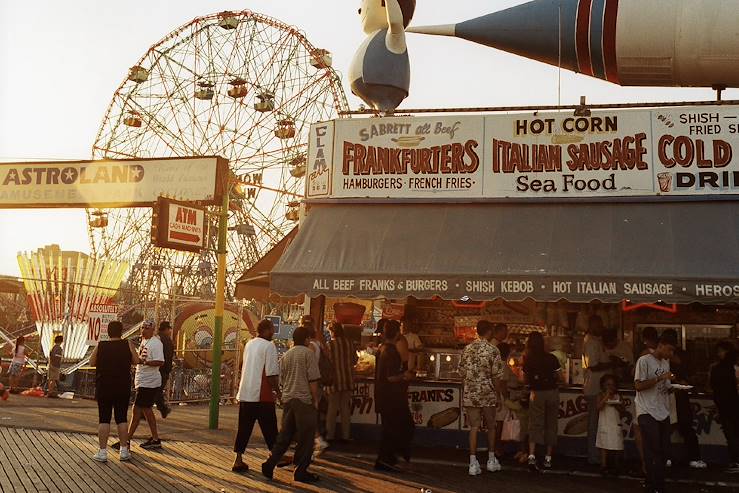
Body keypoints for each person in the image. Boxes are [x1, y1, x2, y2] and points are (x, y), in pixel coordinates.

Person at [261, 326, 322, 484]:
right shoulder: (308, 354)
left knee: (285, 436)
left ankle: (270, 463)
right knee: (306, 437)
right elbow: (313, 381)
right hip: (303, 401)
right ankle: (300, 470)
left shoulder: (286, 355)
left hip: (289, 400)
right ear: (307, 339)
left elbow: (281, 380)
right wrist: (315, 400)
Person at [232, 319, 280, 473]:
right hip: (262, 393)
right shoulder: (269, 346)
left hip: (246, 392)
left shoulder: (249, 344)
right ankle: (275, 456)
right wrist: (278, 392)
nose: (273, 332)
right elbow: (271, 373)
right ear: (266, 330)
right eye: (272, 329)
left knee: (244, 428)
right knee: (270, 428)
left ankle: (238, 459)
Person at [90, 321, 139, 462]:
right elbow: (136, 360)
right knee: (121, 418)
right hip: (122, 386)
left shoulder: (101, 345)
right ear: (121, 331)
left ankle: (102, 452)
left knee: (104, 419)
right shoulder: (127, 344)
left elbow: (92, 362)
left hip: (104, 386)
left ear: (108, 332)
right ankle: (124, 451)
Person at [460, 320, 504, 476]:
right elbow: (497, 376)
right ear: (490, 332)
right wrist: (498, 395)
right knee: (491, 426)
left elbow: (462, 372)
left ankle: (473, 463)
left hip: (471, 393)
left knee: (474, 427)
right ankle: (491, 460)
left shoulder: (467, 349)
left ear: (477, 331)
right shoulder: (493, 350)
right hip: (488, 393)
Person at [634, 335, 676, 493]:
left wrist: (672, 384)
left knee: (664, 449)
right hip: (646, 410)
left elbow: (666, 386)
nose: (671, 354)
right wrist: (660, 378)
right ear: (661, 345)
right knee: (654, 447)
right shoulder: (644, 361)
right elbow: (638, 385)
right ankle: (654, 484)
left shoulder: (666, 362)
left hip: (662, 410)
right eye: (670, 349)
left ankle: (655, 480)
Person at [662, 328, 706, 469]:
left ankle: (688, 457)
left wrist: (682, 380)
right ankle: (670, 457)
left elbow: (689, 373)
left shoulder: (680, 355)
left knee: (683, 427)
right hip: (669, 395)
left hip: (678, 395)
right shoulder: (660, 356)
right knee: (670, 427)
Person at [374, 319, 414, 472]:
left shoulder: (383, 348)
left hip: (385, 396)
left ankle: (387, 458)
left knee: (391, 428)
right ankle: (388, 458)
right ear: (397, 333)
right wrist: (404, 375)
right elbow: (391, 377)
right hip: (391, 397)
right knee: (399, 427)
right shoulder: (390, 352)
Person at [121, 320, 165, 450]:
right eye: (142, 328)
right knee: (147, 411)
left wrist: (144, 363)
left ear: (153, 330)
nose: (143, 330)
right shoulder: (145, 341)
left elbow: (160, 361)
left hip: (149, 382)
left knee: (137, 411)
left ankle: (126, 440)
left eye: (147, 328)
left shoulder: (156, 343)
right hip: (142, 380)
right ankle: (155, 439)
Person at [523, 331, 561, 472]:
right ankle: (548, 458)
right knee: (551, 424)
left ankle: (532, 456)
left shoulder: (528, 359)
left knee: (535, 423)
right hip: (552, 392)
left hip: (536, 393)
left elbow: (525, 380)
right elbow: (560, 376)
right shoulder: (552, 358)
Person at [582, 315, 614, 465]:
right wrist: (610, 365)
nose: (601, 327)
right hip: (593, 387)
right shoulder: (589, 342)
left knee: (599, 424)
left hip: (598, 387)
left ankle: (599, 455)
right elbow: (593, 366)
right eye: (599, 324)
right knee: (594, 424)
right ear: (592, 325)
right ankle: (593, 456)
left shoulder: (596, 341)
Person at [709, 341, 739, 473]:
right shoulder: (735, 368)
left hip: (726, 406)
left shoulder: (717, 368)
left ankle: (736, 462)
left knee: (731, 435)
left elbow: (714, 389)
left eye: (721, 350)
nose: (718, 353)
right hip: (733, 405)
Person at [634, 326, 660, 475]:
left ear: (644, 339)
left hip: (645, 402)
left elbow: (636, 381)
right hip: (659, 401)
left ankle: (646, 464)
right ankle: (656, 463)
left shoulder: (644, 356)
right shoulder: (663, 356)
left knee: (641, 430)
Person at [325, 322, 357, 442]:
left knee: (332, 408)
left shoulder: (329, 345)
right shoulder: (350, 344)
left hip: (334, 380)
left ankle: (330, 435)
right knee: (345, 408)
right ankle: (346, 436)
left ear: (332, 332)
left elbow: (326, 362)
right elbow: (355, 360)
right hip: (347, 379)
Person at [305, 320, 330, 453]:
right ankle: (316, 439)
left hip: (312, 384)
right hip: (318, 383)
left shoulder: (310, 346)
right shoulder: (320, 344)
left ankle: (317, 439)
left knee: (309, 412)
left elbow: (309, 367)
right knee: (312, 412)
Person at [596, 374, 625, 476]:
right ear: (603, 385)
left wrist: (616, 405)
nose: (610, 387)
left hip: (615, 423)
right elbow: (598, 407)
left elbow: (623, 410)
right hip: (605, 423)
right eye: (608, 385)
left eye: (612, 385)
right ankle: (603, 465)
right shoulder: (600, 395)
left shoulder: (618, 396)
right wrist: (606, 397)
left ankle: (616, 465)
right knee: (604, 445)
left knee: (617, 444)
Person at [154, 321, 174, 419]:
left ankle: (145, 412)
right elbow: (169, 356)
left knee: (155, 390)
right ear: (166, 329)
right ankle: (162, 408)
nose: (170, 331)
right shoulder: (167, 340)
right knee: (157, 390)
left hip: (157, 368)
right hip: (163, 369)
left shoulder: (156, 338)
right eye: (169, 329)